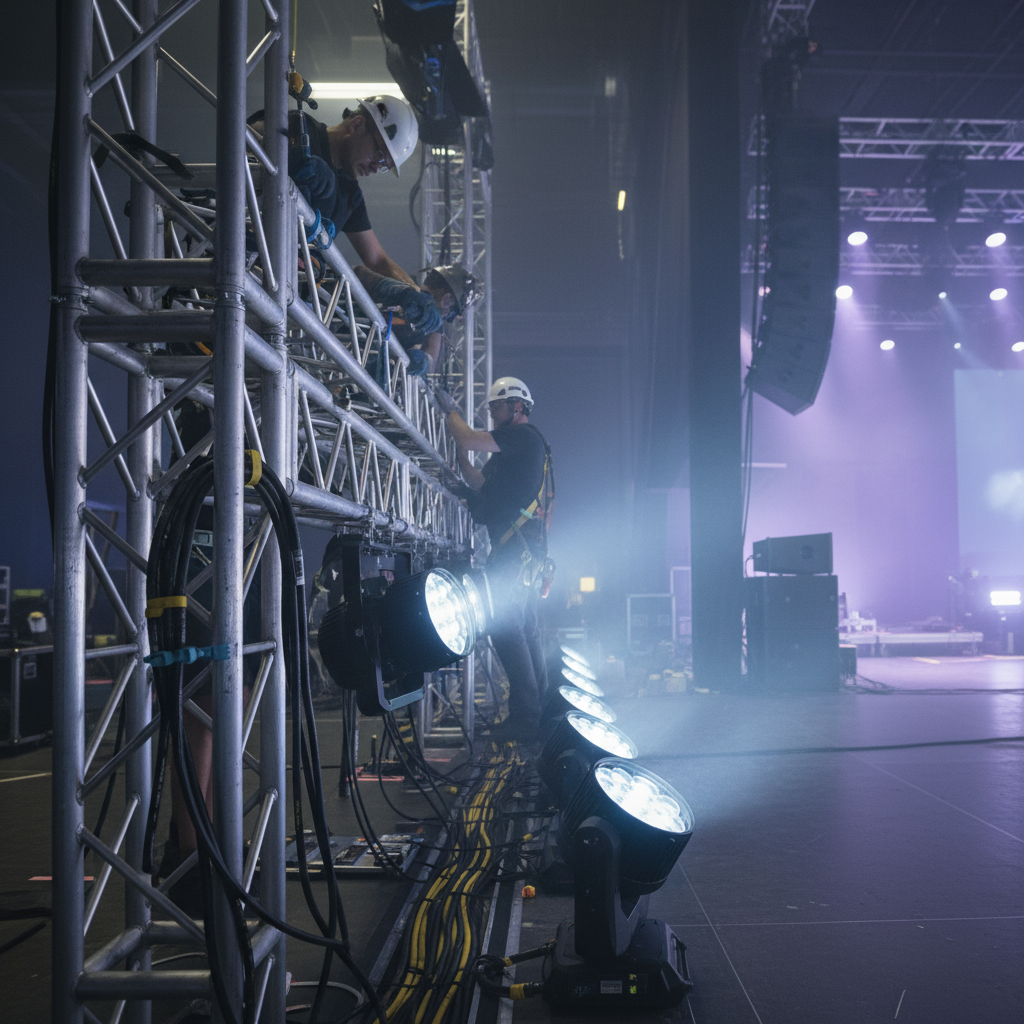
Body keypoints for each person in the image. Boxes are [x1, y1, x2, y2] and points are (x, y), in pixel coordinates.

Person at [437, 377, 553, 745]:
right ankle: (538, 711)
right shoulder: (509, 454)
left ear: (517, 407)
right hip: (521, 547)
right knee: (523, 627)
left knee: (505, 625)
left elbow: (471, 437)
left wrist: (450, 412)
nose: (491, 413)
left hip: (518, 548)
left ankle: (528, 715)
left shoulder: (524, 437)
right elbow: (476, 479)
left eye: (495, 407)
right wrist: (456, 458)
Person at [248, 95, 419, 287]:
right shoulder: (299, 128)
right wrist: (289, 158)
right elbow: (248, 138)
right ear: (356, 124)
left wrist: (415, 293)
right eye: (379, 155)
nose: (375, 168)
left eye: (384, 166)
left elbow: (378, 260)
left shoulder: (349, 194)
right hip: (246, 259)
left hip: (285, 291)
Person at [354, 262, 480, 376]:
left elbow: (430, 361)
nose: (446, 318)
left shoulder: (428, 326)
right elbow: (358, 272)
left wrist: (423, 361)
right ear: (447, 300)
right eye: (451, 315)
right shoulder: (400, 289)